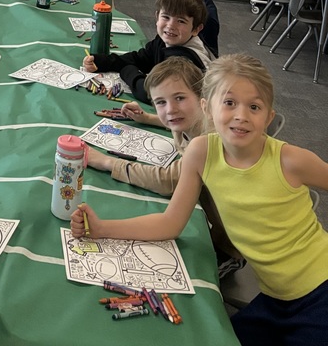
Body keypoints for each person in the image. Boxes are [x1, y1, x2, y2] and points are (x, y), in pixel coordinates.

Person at [71, 54, 328, 346]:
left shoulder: (291, 160)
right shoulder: (201, 151)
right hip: (275, 299)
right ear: (207, 108)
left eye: (254, 107)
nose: (241, 115)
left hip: (321, 291)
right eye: (229, 103)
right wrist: (103, 228)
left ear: (268, 116)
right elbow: (169, 223)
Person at [85, 56, 241, 273]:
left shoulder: (210, 141)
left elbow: (168, 181)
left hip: (231, 242)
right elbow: (177, 117)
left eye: (179, 98)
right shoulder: (193, 118)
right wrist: (147, 118)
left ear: (202, 99)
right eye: (161, 102)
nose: (170, 110)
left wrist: (106, 162)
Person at [81, 0, 213, 103]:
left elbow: (150, 93)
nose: (170, 26)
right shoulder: (165, 40)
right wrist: (102, 62)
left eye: (181, 21)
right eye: (166, 17)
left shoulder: (184, 61)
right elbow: (141, 58)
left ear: (196, 29)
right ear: (157, 17)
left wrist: (126, 70)